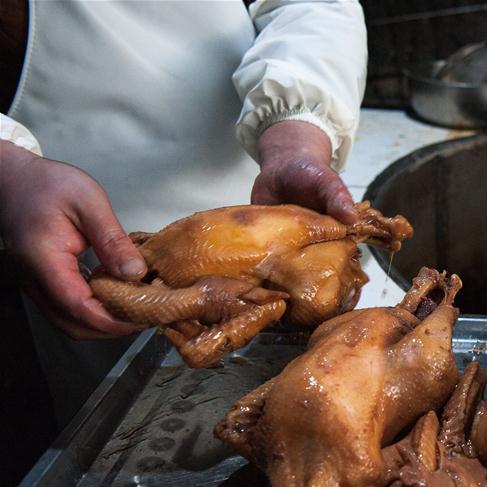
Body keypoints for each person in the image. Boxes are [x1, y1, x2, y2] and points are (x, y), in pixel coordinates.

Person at [0, 0, 368, 425]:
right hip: (80, 244)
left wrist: (297, 133)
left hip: (273, 194)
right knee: (125, 437)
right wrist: (8, 172)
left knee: (316, 408)